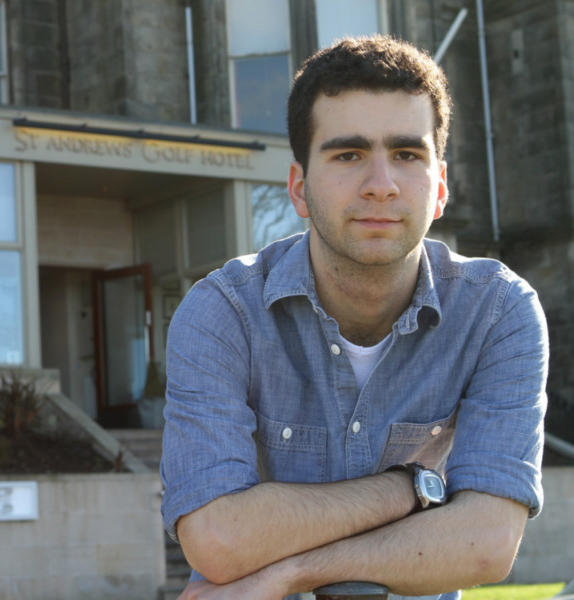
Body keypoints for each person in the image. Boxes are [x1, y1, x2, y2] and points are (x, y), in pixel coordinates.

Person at [160, 35, 548, 600]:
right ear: (299, 188)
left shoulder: (498, 311)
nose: (381, 185)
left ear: (439, 189)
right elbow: (217, 540)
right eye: (348, 154)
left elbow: (486, 544)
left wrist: (288, 574)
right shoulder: (223, 313)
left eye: (408, 154)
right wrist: (412, 488)